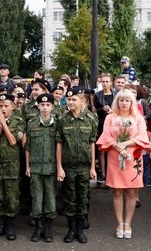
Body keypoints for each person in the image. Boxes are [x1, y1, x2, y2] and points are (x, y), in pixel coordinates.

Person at [96, 89, 151, 239]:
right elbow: (106, 136)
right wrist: (118, 147)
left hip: (133, 157)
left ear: (132, 102)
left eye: (127, 100)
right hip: (115, 157)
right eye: (121, 100)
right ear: (117, 101)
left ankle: (128, 223)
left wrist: (125, 144)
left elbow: (142, 136)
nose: (124, 103)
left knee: (132, 192)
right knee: (117, 191)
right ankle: (119, 222)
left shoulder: (138, 118)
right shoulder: (110, 118)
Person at [56, 87, 97, 244]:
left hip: (84, 167)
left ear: (82, 101)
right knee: (69, 199)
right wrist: (59, 167)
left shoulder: (90, 120)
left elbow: (92, 144)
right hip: (68, 166)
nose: (70, 102)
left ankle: (79, 230)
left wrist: (93, 167)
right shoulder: (63, 120)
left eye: (74, 99)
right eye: (69, 99)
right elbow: (59, 144)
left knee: (82, 199)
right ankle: (71, 229)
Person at [0, 94, 26, 241]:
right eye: (0, 106)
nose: (3, 108)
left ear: (13, 106)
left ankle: (10, 227)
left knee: (11, 196)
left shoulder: (19, 122)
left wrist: (4, 124)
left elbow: (12, 141)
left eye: (6, 106)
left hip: (12, 164)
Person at [25, 93, 57, 243]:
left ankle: (48, 229)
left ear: (52, 106)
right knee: (37, 199)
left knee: (50, 198)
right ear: (38, 106)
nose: (45, 108)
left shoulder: (57, 123)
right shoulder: (31, 123)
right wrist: (27, 166)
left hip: (51, 167)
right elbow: (28, 146)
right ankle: (38, 228)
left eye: (48, 105)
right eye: (42, 105)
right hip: (36, 167)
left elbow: (60, 146)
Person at [94, 74, 114, 185]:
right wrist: (102, 109)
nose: (105, 83)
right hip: (101, 124)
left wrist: (113, 111)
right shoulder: (97, 95)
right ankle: (103, 174)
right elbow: (93, 110)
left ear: (111, 82)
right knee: (101, 149)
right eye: (103, 81)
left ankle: (111, 172)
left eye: (107, 81)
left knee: (112, 150)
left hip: (114, 125)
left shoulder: (116, 94)